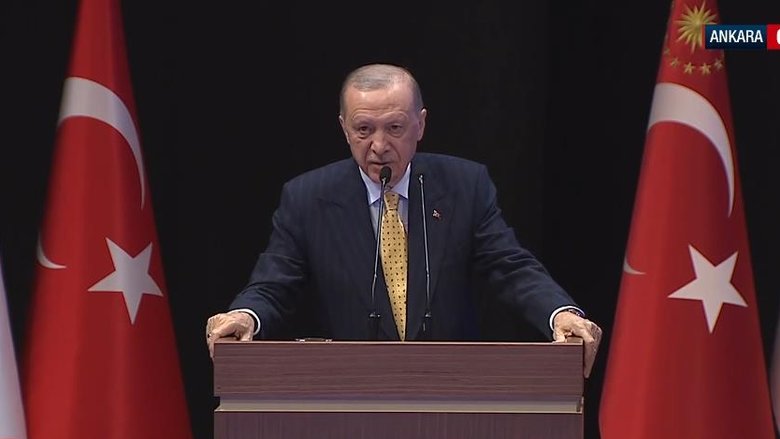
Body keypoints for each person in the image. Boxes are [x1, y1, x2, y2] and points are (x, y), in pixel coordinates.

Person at [205, 63, 602, 377]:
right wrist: (245, 316)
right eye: (364, 129)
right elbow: (275, 283)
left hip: (452, 389)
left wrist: (559, 313)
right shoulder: (308, 198)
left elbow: (510, 266)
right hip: (347, 392)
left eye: (394, 127)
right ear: (344, 129)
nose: (379, 145)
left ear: (420, 124)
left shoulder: (464, 186)